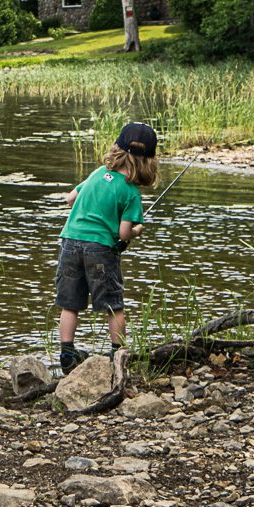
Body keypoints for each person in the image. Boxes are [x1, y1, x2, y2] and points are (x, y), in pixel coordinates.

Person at [54, 121, 158, 373]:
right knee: (113, 303)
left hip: (70, 242)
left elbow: (70, 198)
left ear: (117, 149)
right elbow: (123, 233)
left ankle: (67, 354)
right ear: (148, 162)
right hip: (100, 249)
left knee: (70, 303)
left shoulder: (98, 173)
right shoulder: (131, 192)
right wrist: (137, 231)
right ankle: (118, 353)